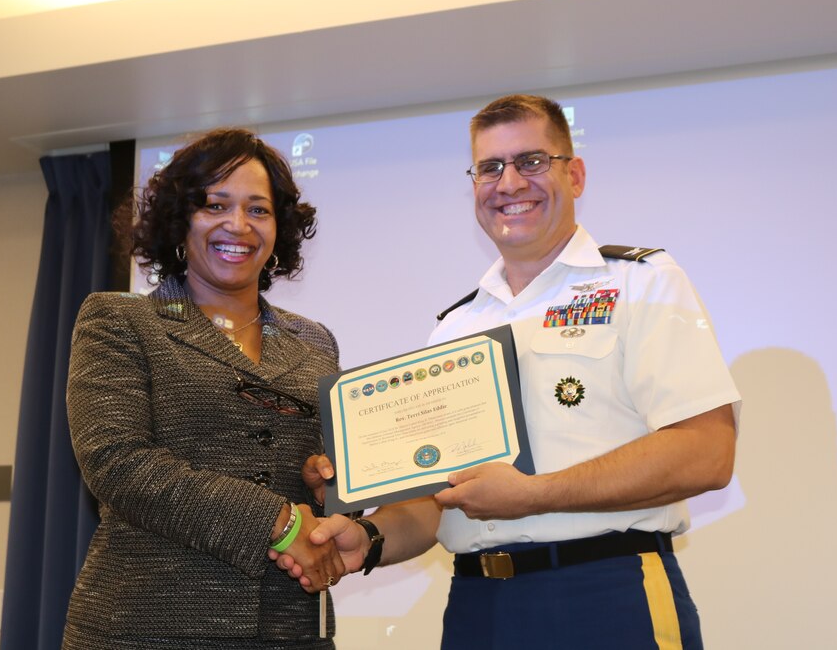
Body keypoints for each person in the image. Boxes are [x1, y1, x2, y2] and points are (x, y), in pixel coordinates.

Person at [280, 95, 741, 649]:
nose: (509, 183)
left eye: (531, 162)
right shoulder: (456, 327)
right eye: (489, 168)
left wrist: (534, 494)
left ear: (575, 173)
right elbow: (432, 501)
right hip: (479, 608)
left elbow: (706, 452)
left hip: (608, 594)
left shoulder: (642, 284)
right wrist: (369, 536)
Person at [63, 127, 345, 650]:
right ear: (179, 218)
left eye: (258, 210)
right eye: (215, 205)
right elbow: (118, 462)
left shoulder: (315, 340)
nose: (238, 225)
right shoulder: (120, 319)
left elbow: (333, 479)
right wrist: (280, 522)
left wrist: (331, 482)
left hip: (291, 631)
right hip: (146, 627)